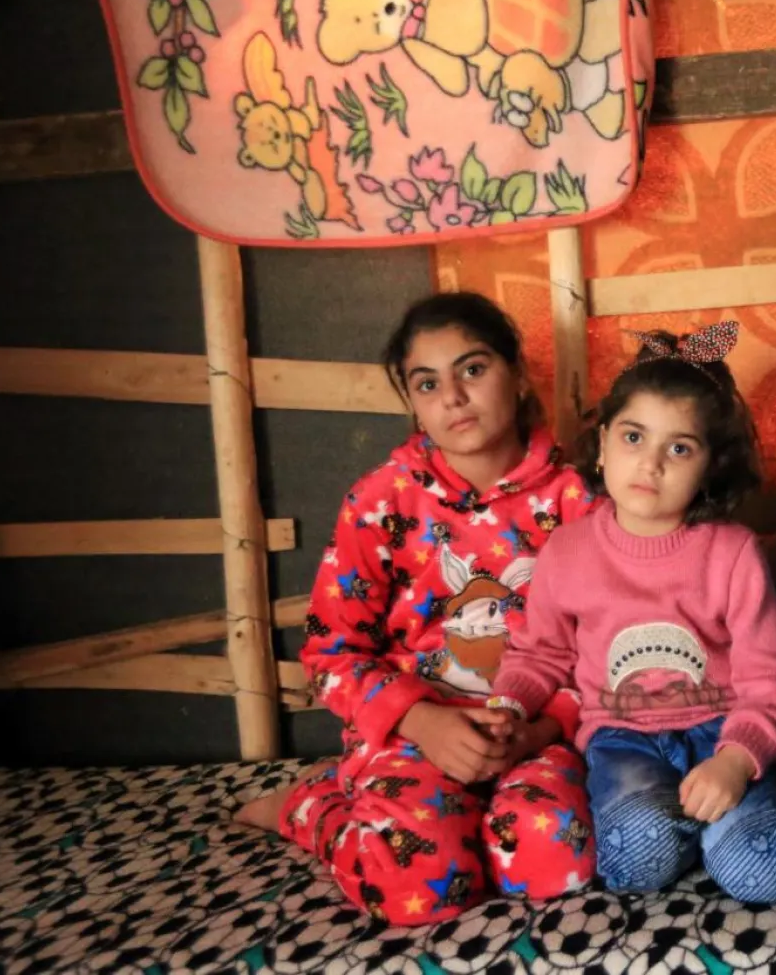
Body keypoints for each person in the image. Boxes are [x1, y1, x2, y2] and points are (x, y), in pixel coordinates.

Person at [234, 292, 596, 925]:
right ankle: (312, 805)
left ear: (516, 371)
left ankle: (469, 819)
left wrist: (537, 732)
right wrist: (423, 723)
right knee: (421, 888)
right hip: (411, 736)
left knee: (550, 867)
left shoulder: (579, 500)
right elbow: (330, 654)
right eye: (428, 383)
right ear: (411, 401)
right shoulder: (380, 502)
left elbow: (604, 644)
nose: (453, 396)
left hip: (534, 734)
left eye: (473, 369)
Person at [489, 322, 776, 903]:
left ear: (710, 466)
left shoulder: (732, 552)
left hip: (724, 733)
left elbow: (774, 676)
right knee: (638, 857)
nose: (652, 464)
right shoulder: (567, 551)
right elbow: (541, 652)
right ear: (604, 440)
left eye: (679, 448)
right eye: (634, 437)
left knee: (766, 876)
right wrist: (508, 705)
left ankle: (723, 824)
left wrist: (737, 761)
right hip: (624, 740)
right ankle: (681, 828)